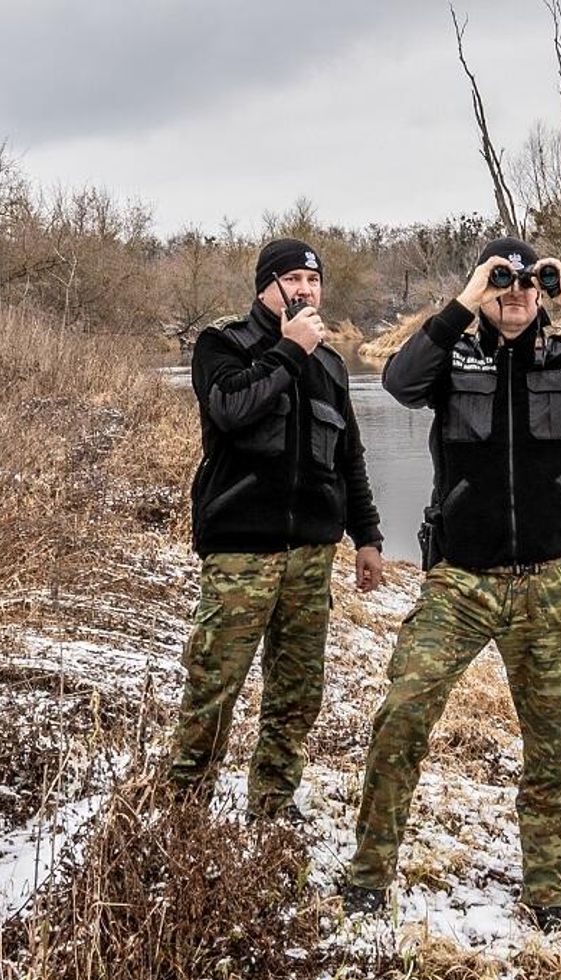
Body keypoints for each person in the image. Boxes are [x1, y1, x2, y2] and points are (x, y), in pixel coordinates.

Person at [342, 236, 561, 927]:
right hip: (460, 581)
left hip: (548, 582)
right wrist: (462, 303)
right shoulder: (453, 357)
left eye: (526, 284)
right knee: (402, 712)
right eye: (500, 283)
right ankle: (368, 874)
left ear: (542, 290)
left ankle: (548, 894)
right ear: (482, 289)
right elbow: (399, 382)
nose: (515, 295)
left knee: (550, 745)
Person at [168, 237, 384, 821]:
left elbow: (350, 457)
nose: (305, 291)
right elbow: (231, 410)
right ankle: (184, 811)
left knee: (296, 693)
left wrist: (367, 537)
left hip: (311, 556)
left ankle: (271, 802)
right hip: (242, 550)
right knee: (214, 687)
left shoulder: (332, 365)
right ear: (266, 286)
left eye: (313, 283)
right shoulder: (223, 345)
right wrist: (289, 352)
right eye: (292, 280)